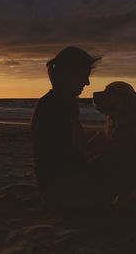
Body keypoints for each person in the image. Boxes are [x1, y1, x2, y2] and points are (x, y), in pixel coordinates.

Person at [31, 46, 102, 211]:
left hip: (58, 184)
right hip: (62, 190)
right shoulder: (55, 106)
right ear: (69, 74)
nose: (87, 82)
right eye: (84, 76)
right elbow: (72, 155)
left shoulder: (63, 102)